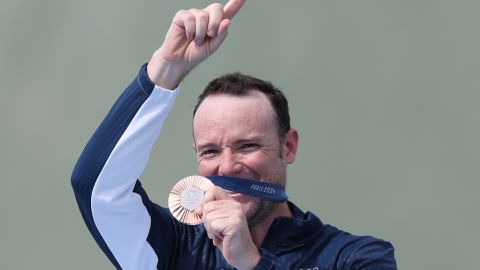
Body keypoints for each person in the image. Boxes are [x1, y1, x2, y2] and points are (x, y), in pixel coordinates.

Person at [71, 1, 397, 269]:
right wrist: (166, 69)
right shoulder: (172, 247)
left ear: (289, 146)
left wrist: (250, 263)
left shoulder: (355, 257)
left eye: (247, 146)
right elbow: (96, 187)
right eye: (210, 152)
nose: (227, 167)